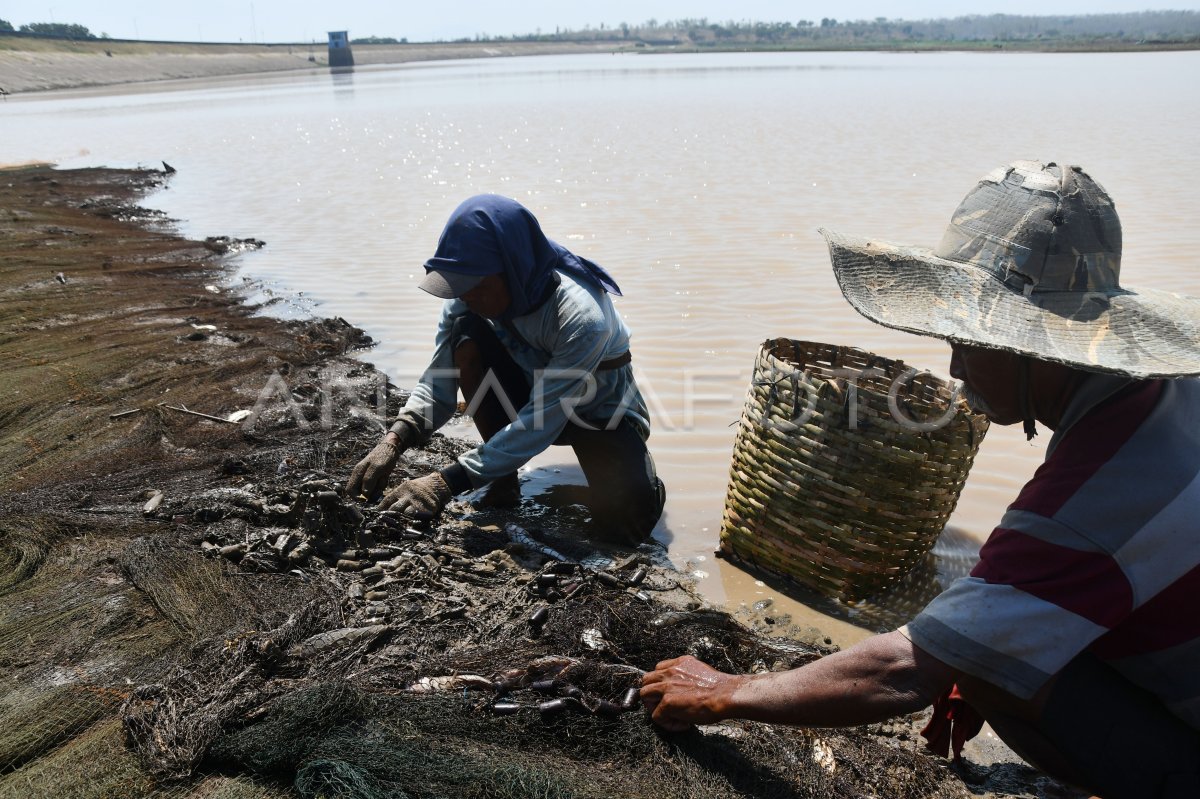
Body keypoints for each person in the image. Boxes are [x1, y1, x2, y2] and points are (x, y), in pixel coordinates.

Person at [640, 161, 1200, 798]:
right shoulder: (1175, 399)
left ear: (1032, 348)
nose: (956, 362)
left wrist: (727, 693)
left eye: (971, 337)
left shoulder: (1085, 502)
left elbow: (905, 668)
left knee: (982, 665)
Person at [346, 194, 665, 545]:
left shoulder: (581, 318)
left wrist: (444, 482)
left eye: (477, 287)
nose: (466, 297)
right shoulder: (467, 298)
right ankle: (503, 477)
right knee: (465, 336)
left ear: (511, 269)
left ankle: (638, 481)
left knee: (629, 525)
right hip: (526, 393)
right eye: (460, 286)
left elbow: (541, 421)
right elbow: (439, 380)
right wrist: (394, 441)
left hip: (598, 412)